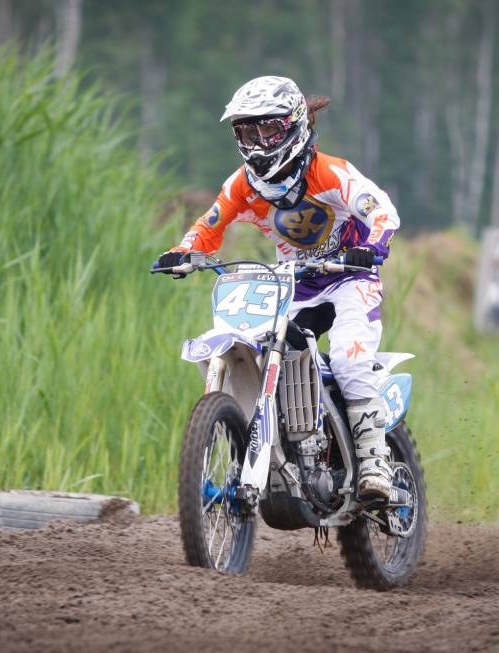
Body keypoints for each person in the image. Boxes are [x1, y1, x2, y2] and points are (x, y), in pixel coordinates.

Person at [155, 76, 400, 500]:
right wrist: (184, 251)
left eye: (267, 129)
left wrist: (373, 246)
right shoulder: (243, 185)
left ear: (294, 126)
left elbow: (380, 209)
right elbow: (210, 224)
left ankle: (374, 462)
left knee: (348, 354)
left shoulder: (331, 172)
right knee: (252, 344)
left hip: (349, 276)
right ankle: (274, 444)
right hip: (295, 282)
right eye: (246, 131)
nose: (257, 141)